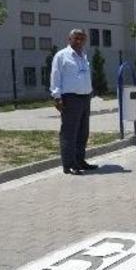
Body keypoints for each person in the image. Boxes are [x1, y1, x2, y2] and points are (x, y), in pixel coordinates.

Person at [50, 29, 98, 175]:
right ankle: (69, 164)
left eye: (82, 39)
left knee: (83, 132)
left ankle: (79, 160)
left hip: (85, 97)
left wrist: (89, 90)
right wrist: (57, 97)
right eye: (76, 38)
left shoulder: (83, 55)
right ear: (69, 39)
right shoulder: (62, 56)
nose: (79, 41)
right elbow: (55, 76)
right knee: (69, 132)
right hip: (70, 98)